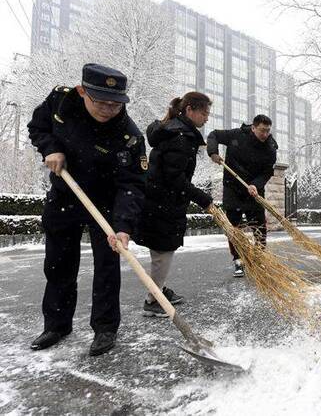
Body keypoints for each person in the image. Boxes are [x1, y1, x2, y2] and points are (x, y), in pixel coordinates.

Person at [27, 63, 147, 355]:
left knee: (107, 266)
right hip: (65, 194)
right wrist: (50, 148)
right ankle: (56, 324)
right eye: (102, 101)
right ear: (82, 92)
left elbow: (131, 185)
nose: (109, 109)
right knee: (58, 263)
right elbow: (37, 127)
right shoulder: (62, 101)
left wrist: (123, 227)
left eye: (116, 103)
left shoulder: (129, 137)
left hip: (105, 203)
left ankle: (105, 329)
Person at [133, 92, 214, 317]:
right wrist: (202, 198)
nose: (206, 118)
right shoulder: (182, 137)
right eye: (204, 113)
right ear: (190, 110)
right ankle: (153, 299)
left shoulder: (173, 129)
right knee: (163, 250)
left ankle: (159, 289)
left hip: (157, 199)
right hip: (164, 201)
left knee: (159, 249)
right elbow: (174, 178)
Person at [207, 115, 277, 277]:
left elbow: (267, 171)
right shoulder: (236, 135)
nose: (265, 134)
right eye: (262, 130)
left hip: (254, 192)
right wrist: (213, 152)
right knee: (234, 229)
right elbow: (214, 135)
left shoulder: (270, 147)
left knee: (260, 228)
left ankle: (258, 258)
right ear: (253, 128)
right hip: (233, 190)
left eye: (267, 131)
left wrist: (256, 185)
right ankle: (238, 260)